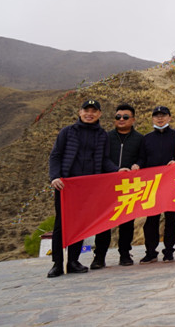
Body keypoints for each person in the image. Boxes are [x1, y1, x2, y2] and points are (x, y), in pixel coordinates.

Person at [47, 100, 126, 278]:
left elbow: (105, 160)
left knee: (80, 224)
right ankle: (57, 263)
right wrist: (55, 177)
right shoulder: (67, 132)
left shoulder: (102, 135)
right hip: (66, 186)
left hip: (89, 187)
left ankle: (73, 260)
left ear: (99, 114)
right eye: (86, 110)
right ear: (80, 112)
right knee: (61, 224)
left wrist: (117, 170)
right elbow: (55, 155)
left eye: (93, 111)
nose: (89, 114)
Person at [91, 104, 143, 269]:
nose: (121, 119)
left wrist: (138, 164)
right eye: (118, 117)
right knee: (104, 222)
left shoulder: (139, 138)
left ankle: (125, 254)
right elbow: (102, 158)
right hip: (107, 185)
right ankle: (99, 256)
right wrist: (115, 170)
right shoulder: (106, 137)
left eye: (125, 117)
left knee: (127, 222)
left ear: (133, 120)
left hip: (128, 186)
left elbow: (143, 157)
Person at [136, 106, 175, 263]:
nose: (160, 118)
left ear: (169, 117)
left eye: (163, 115)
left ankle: (169, 251)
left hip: (172, 184)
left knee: (171, 219)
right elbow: (142, 158)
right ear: (152, 118)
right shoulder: (146, 138)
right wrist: (137, 165)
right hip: (152, 185)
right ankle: (150, 252)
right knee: (151, 221)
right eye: (156, 116)